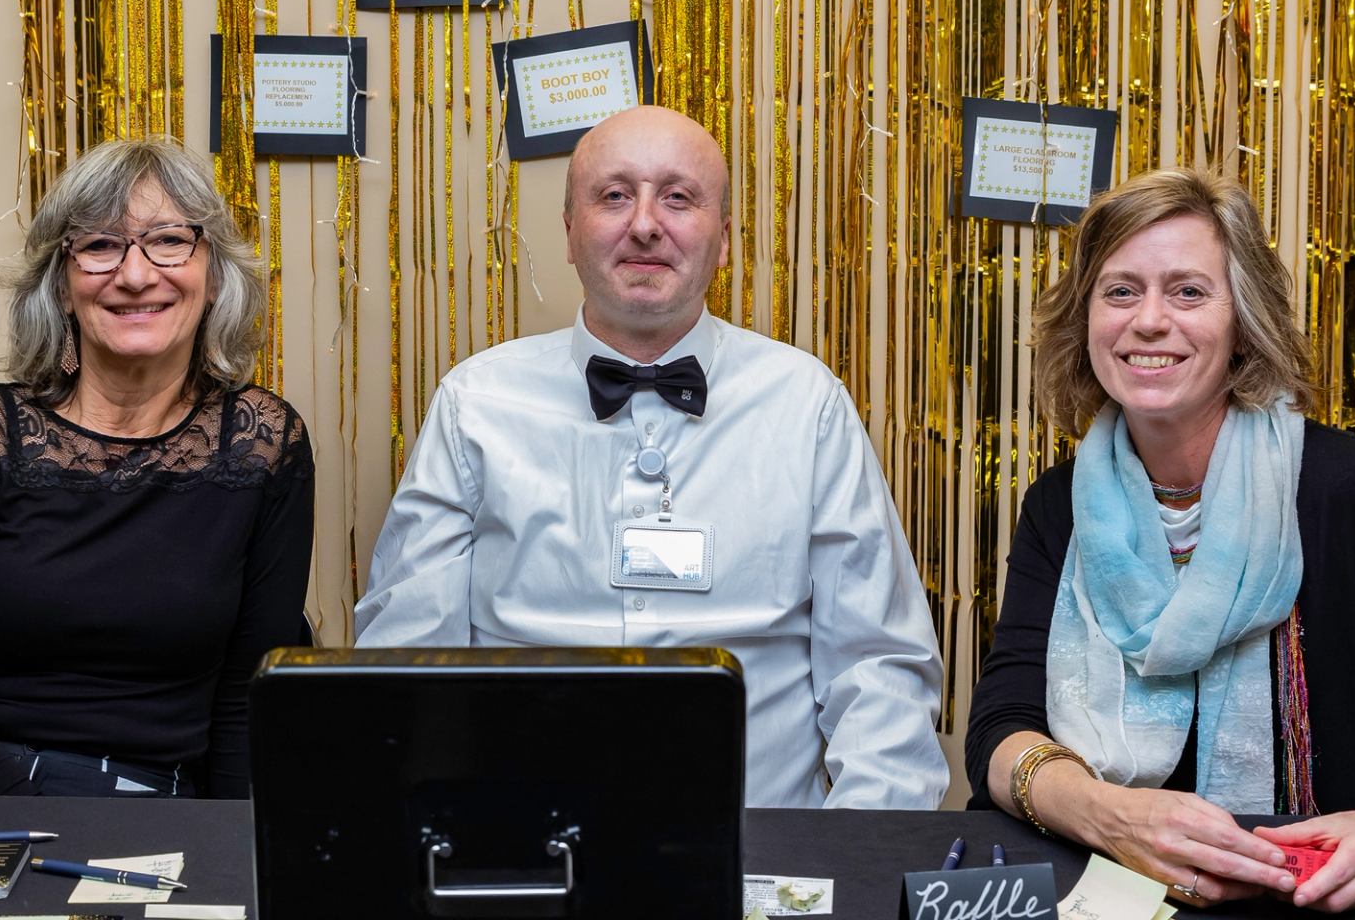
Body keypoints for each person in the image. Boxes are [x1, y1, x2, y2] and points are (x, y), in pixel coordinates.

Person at [965, 169, 1355, 910]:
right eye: (1120, 291)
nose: (1149, 321)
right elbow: (999, 734)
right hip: (1119, 894)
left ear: (1244, 321)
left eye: (1188, 291)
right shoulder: (1060, 506)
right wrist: (1107, 815)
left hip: (1329, 901)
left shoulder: (1354, 490)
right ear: (1085, 321)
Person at [354, 105, 947, 810]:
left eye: (678, 197)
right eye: (613, 196)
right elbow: (403, 661)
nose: (643, 224)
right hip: (523, 847)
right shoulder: (475, 403)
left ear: (723, 240)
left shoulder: (806, 403)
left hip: (755, 855)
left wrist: (850, 866)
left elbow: (877, 669)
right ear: (570, 233)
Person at [0, 137, 314, 798]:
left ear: (213, 275)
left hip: (154, 803)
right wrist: (54, 832)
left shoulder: (263, 443)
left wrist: (234, 860)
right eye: (100, 245)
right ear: (62, 286)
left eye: (169, 240)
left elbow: (248, 709)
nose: (134, 275)